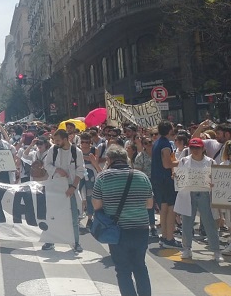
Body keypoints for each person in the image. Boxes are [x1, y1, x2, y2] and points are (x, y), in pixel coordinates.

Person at [92, 145, 153, 296]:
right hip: (141, 228)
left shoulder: (103, 177)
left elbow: (96, 205)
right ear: (126, 159)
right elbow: (150, 204)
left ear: (109, 159)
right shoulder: (142, 176)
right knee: (140, 266)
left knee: (123, 269)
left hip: (118, 231)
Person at [175, 138, 222, 261]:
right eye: (192, 148)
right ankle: (186, 248)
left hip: (205, 194)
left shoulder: (210, 162)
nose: (195, 150)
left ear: (203, 149)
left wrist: (213, 183)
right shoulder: (184, 161)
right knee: (187, 222)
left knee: (209, 222)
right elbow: (179, 179)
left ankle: (216, 250)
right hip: (188, 194)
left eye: (198, 148)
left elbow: (217, 180)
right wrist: (176, 177)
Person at [42, 129, 85, 252]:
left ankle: (76, 242)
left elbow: (80, 171)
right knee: (52, 215)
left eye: (58, 140)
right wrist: (57, 170)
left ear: (66, 139)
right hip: (55, 187)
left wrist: (73, 187)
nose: (55, 142)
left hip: (71, 187)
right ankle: (50, 241)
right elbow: (47, 165)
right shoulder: (53, 150)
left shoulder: (77, 152)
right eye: (55, 140)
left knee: (74, 216)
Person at [150, 120, 181, 249]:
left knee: (163, 208)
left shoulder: (157, 142)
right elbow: (167, 164)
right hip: (165, 179)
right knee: (171, 208)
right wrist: (182, 162)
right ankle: (169, 238)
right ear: (169, 130)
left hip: (157, 179)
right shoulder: (166, 144)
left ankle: (164, 236)